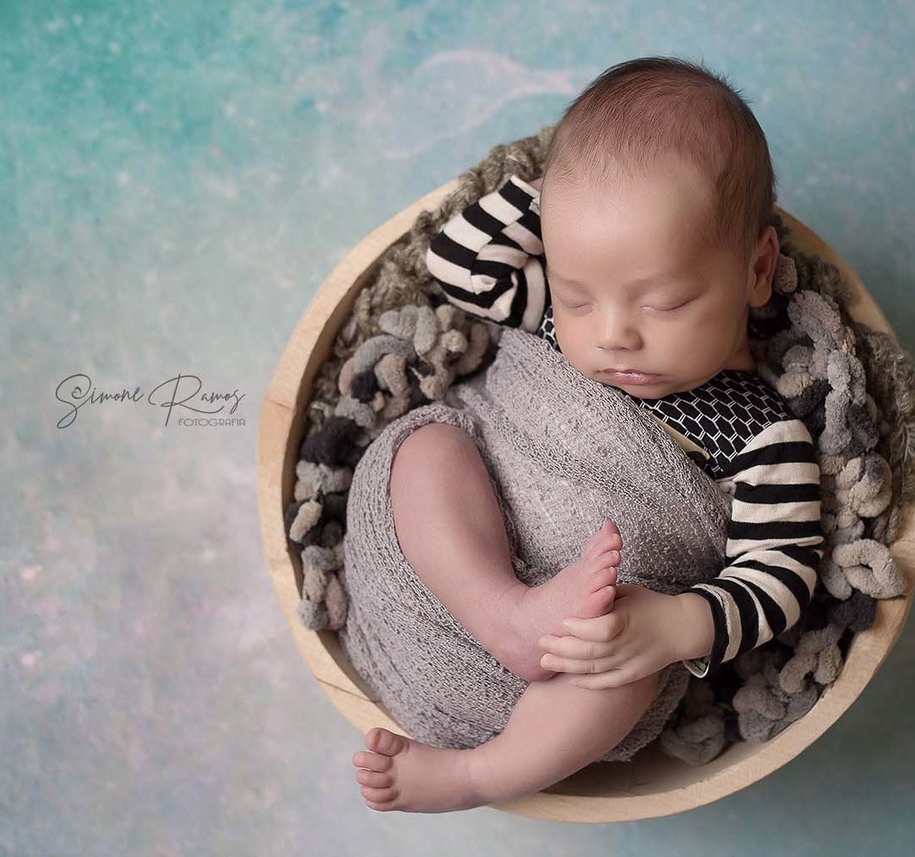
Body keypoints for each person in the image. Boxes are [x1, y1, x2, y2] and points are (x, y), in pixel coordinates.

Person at [351, 56, 824, 813]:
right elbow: (455, 262)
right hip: (447, 572)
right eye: (579, 295)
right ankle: (504, 614)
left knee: (625, 667)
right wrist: (566, 195)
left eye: (663, 303)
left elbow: (783, 576)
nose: (611, 336)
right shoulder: (549, 314)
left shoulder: (761, 434)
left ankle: (480, 774)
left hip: (564, 675)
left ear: (757, 269)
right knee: (426, 448)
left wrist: (675, 625)